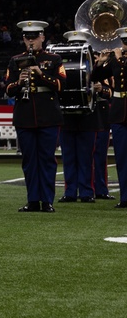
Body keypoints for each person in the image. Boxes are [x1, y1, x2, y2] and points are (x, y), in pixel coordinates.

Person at [3, 20, 66, 213]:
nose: (31, 41)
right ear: (23, 39)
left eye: (35, 37)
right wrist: (19, 83)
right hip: (25, 115)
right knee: (29, 161)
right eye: (27, 38)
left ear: (42, 37)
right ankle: (32, 200)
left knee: (47, 159)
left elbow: (61, 85)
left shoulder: (54, 59)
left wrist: (40, 73)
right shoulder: (15, 60)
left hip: (48, 115)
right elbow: (7, 88)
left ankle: (47, 201)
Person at [57, 31, 101, 203]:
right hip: (67, 116)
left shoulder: (95, 63)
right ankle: (70, 191)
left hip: (88, 116)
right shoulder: (60, 62)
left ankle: (86, 191)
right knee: (68, 157)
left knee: (85, 158)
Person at [91, 26, 127, 208]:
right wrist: (100, 63)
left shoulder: (119, 60)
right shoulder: (115, 60)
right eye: (124, 41)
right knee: (121, 158)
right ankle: (125, 198)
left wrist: (119, 59)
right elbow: (95, 78)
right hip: (119, 113)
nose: (125, 45)